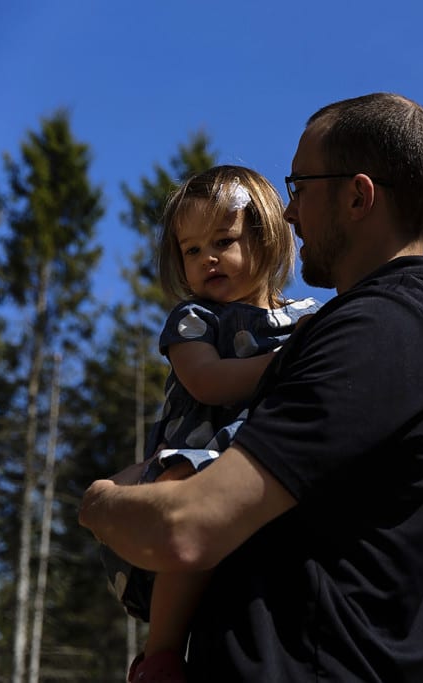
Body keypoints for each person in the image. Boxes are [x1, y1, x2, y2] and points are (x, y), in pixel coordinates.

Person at [80, 93, 423, 682]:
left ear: (358, 196)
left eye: (301, 187)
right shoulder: (384, 328)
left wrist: (100, 502)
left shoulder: (380, 331)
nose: (288, 214)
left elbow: (186, 528)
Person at [102, 165, 320, 682]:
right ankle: (160, 654)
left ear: (267, 238)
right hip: (200, 451)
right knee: (184, 498)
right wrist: (283, 363)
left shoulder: (308, 318)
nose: (207, 259)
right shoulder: (194, 320)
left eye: (223, 240)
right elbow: (208, 382)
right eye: (191, 249)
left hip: (265, 458)